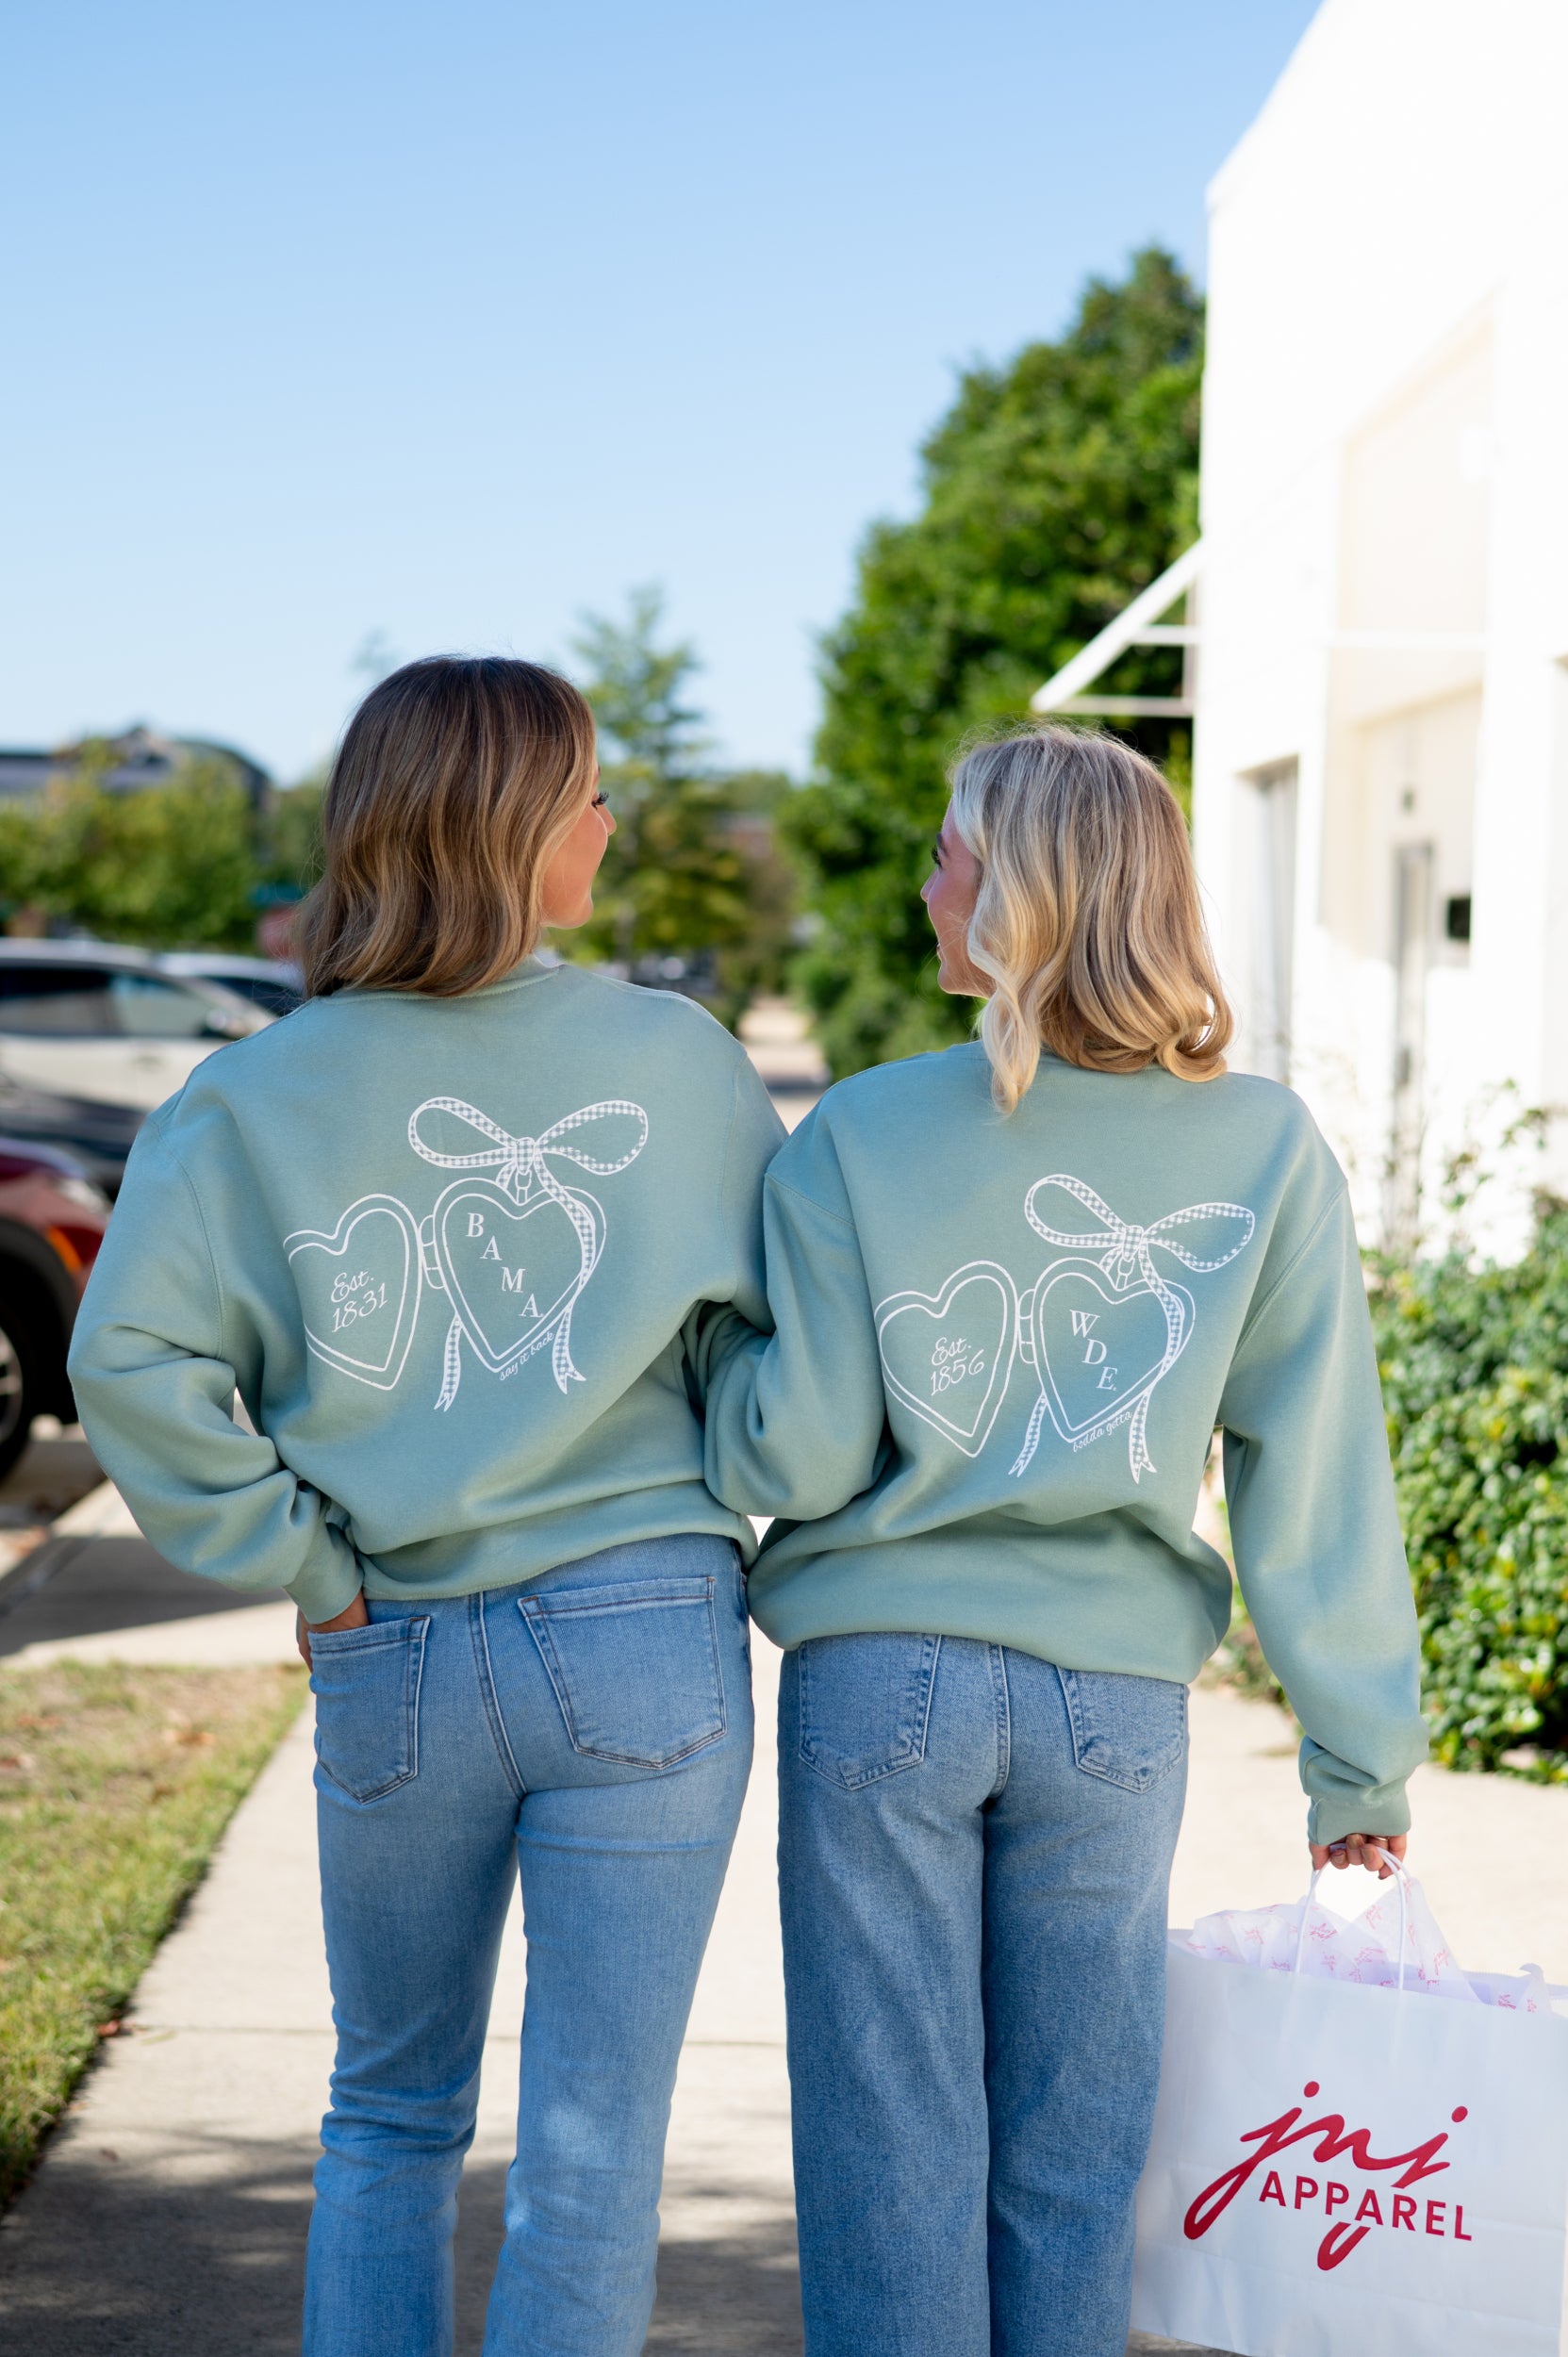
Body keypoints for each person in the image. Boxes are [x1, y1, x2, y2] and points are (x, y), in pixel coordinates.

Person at [68, 657, 784, 2357]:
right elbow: (786, 1358)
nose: (611, 821)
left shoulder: (253, 1091)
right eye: (588, 792)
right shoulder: (675, 1062)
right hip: (642, 1635)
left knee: (387, 2114)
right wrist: (757, 1481)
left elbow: (133, 1365)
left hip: (387, 1638)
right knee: (597, 2152)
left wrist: (301, 1561)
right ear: (518, 826)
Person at [703, 724, 1428, 2357]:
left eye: (951, 853)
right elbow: (1317, 1477)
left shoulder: (863, 1132)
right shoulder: (1264, 1148)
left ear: (1023, 891)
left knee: (893, 2151)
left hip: (878, 1687)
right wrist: (1358, 1770)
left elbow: (799, 1445)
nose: (924, 881)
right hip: (1113, 1709)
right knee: (1079, 2162)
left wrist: (714, 1383)